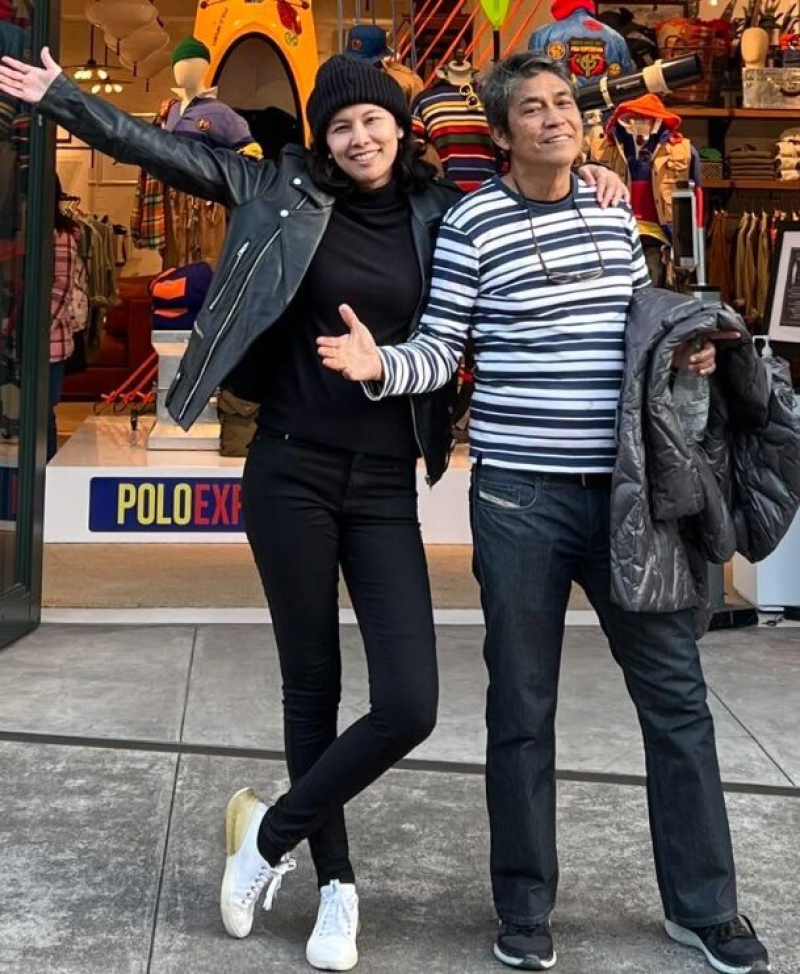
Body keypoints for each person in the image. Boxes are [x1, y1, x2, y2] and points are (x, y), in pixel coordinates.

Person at [0, 47, 628, 971]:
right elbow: (160, 151)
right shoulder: (275, 191)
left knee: (409, 703)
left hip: (382, 485)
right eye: (339, 126)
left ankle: (265, 835)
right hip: (288, 470)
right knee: (313, 685)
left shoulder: (442, 212)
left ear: (399, 128)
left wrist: (595, 179)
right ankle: (336, 884)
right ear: (321, 141)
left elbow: (524, 196)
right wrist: (63, 98)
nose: (359, 137)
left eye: (372, 119)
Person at [317, 54, 770, 974]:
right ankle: (524, 907)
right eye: (534, 108)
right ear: (502, 133)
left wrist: (684, 354)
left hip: (629, 498)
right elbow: (441, 347)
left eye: (566, 103)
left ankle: (705, 907)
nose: (557, 117)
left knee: (676, 699)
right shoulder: (471, 223)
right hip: (519, 500)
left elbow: (635, 332)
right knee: (522, 708)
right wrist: (381, 366)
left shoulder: (614, 213)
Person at [49, 175, 87, 460]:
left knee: (42, 413)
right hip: (28, 339)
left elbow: (60, 289)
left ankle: (43, 473)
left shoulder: (61, 236)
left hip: (49, 342)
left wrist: (30, 331)